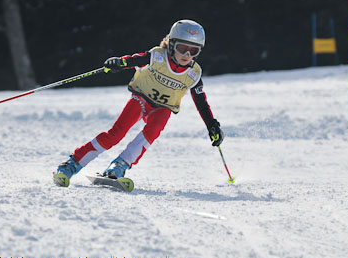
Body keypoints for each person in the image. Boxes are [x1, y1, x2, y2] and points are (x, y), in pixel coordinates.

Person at [53, 19, 224, 187]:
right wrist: (119, 63)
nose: (187, 55)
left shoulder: (193, 74)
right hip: (141, 100)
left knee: (153, 131)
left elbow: (201, 102)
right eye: (182, 48)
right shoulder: (158, 57)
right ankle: (72, 164)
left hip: (163, 108)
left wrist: (212, 125)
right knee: (115, 134)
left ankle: (119, 165)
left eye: (193, 51)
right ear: (172, 45)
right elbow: (135, 60)